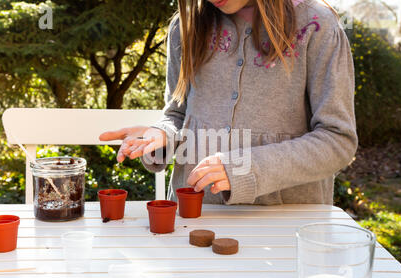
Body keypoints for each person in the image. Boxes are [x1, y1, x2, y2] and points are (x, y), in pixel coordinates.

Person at [99, 0, 357, 205]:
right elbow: (176, 114)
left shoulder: (317, 26)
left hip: (286, 228)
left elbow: (338, 140)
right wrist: (161, 135)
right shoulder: (186, 26)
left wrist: (247, 169)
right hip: (194, 220)